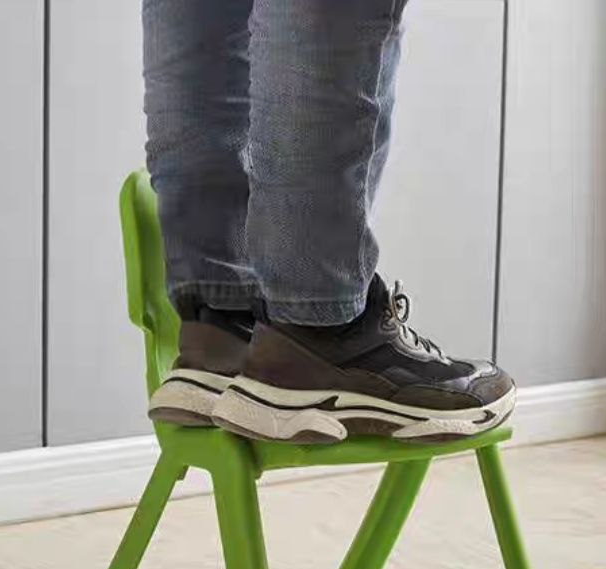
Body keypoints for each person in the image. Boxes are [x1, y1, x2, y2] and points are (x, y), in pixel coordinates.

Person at [142, 0, 515, 444]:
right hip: (317, 334)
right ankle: (320, 333)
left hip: (210, 306)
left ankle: (222, 327)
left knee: (204, 12)